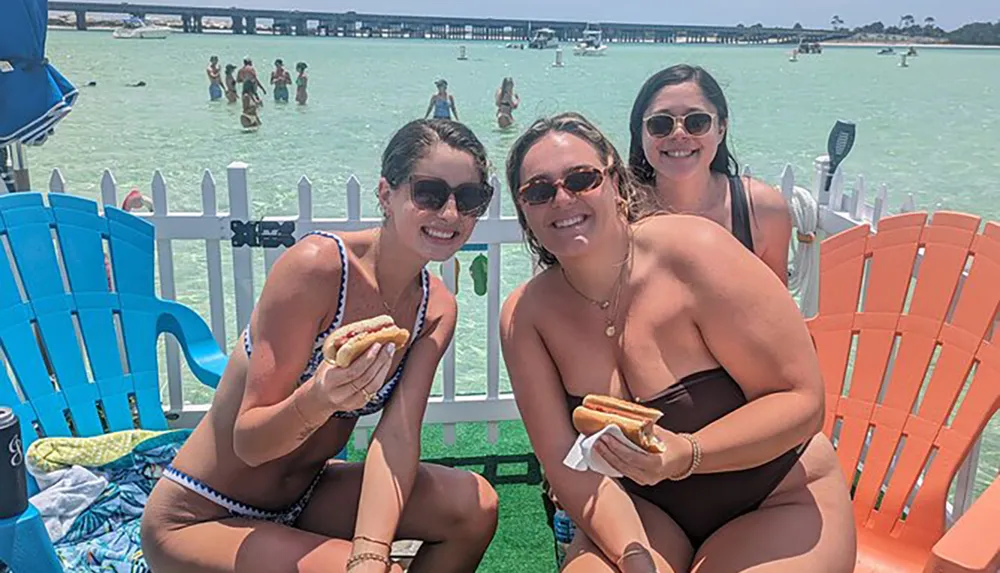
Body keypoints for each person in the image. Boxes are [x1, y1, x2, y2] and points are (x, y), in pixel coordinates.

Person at [499, 112, 856, 573]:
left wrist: (686, 453)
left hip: (776, 496)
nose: (562, 199)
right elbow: (565, 465)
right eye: (539, 191)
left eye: (581, 179)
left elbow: (802, 399)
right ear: (524, 209)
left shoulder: (694, 252)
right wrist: (632, 555)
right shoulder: (527, 316)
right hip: (643, 514)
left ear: (614, 180)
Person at [141, 119, 500, 573]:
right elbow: (249, 442)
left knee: (475, 507)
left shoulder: (436, 308)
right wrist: (320, 398)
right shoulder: (318, 269)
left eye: (469, 198)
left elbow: (398, 438)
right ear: (387, 194)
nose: (450, 214)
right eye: (430, 193)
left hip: (306, 496)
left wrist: (370, 551)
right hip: (202, 515)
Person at [628, 65, 792, 283]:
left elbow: (779, 313)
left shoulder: (763, 211)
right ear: (640, 133)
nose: (679, 133)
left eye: (696, 122)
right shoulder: (619, 211)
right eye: (660, 124)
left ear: (721, 129)